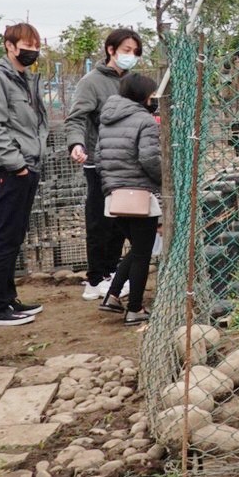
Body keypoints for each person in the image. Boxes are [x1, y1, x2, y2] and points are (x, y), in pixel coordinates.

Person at [0, 22, 48, 326]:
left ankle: (9, 298)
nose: (32, 51)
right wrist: (16, 163)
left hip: (29, 164)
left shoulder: (24, 79)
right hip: (11, 169)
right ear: (9, 45)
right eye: (26, 45)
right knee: (6, 236)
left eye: (36, 46)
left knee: (16, 234)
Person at [65, 27, 143, 301]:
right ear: (111, 50)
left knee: (122, 219)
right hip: (99, 162)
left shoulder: (133, 81)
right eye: (126, 51)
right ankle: (95, 277)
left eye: (134, 52)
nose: (130, 56)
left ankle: (112, 273)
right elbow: (77, 118)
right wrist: (77, 144)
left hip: (128, 163)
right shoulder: (92, 82)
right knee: (99, 220)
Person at [96, 73, 161, 325]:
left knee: (137, 249)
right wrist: (164, 179)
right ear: (143, 96)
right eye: (152, 95)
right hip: (140, 195)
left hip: (114, 197)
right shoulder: (145, 121)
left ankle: (112, 296)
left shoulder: (108, 120)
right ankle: (135, 309)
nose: (153, 99)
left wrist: (112, 183)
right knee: (143, 254)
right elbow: (149, 159)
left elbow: (99, 159)